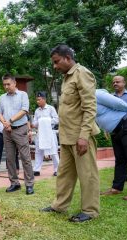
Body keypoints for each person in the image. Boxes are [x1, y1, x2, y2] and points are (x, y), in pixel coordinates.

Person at [41, 44, 101, 223]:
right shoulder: (67, 77)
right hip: (67, 136)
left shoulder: (82, 73)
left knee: (87, 174)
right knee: (64, 174)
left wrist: (84, 136)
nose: (55, 66)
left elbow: (90, 108)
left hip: (80, 137)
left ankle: (90, 211)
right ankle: (59, 206)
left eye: (57, 62)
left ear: (68, 58)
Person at [0, 73, 34, 195]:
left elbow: (24, 110)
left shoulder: (23, 95)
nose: (6, 87)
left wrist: (10, 121)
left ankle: (29, 184)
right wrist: (5, 123)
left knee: (25, 158)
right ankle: (14, 183)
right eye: (4, 85)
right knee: (10, 159)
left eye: (8, 84)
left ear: (14, 83)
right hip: (7, 131)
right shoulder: (2, 97)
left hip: (20, 129)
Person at [32, 91, 59, 177]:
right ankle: (36, 170)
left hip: (50, 132)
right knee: (38, 151)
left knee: (53, 152)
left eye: (39, 100)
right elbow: (34, 122)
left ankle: (57, 169)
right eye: (37, 100)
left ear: (44, 99)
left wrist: (45, 121)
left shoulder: (51, 108)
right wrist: (39, 122)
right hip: (40, 133)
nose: (38, 101)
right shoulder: (37, 111)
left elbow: (56, 119)